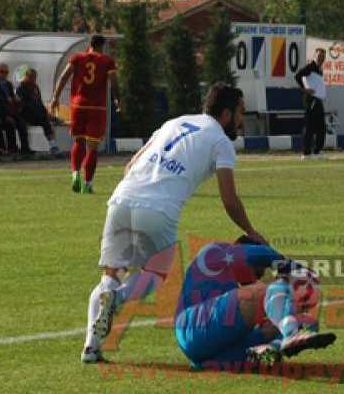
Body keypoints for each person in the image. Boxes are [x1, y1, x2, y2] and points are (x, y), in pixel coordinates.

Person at [81, 83, 267, 364]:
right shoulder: (221, 142)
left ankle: (91, 348)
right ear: (226, 114)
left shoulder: (175, 122)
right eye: (240, 113)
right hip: (159, 209)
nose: (241, 120)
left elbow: (130, 165)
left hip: (121, 198)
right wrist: (251, 231)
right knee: (156, 273)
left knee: (110, 275)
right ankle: (117, 301)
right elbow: (229, 200)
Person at [175, 238, 335, 369]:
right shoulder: (216, 251)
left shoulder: (226, 286)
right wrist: (298, 270)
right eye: (258, 271)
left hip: (209, 352)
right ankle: (289, 335)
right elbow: (265, 254)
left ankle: (271, 348)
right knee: (267, 290)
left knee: (307, 322)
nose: (257, 277)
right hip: (191, 326)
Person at [51, 34, 120, 194]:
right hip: (97, 108)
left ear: (89, 44)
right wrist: (118, 99)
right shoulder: (107, 61)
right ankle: (88, 184)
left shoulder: (77, 58)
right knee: (93, 147)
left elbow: (63, 77)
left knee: (79, 142)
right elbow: (114, 82)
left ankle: (75, 173)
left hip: (78, 105)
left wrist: (55, 97)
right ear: (101, 46)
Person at [16, 68, 60, 154]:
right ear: (26, 76)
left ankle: (53, 146)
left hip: (37, 115)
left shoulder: (35, 87)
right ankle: (25, 149)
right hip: (25, 115)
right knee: (27, 122)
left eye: (34, 77)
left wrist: (46, 113)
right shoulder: (20, 88)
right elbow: (23, 104)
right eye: (31, 77)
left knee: (46, 121)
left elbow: (40, 102)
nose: (33, 79)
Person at [295, 48, 328, 159]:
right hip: (311, 101)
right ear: (315, 56)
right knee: (310, 126)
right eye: (319, 56)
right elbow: (298, 76)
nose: (321, 58)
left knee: (321, 127)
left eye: (323, 57)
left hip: (317, 99)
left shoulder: (319, 69)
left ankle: (317, 151)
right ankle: (306, 152)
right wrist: (305, 89)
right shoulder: (311, 66)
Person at [0, 63, 26, 153]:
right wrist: (5, 115)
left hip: (10, 111)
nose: (4, 74)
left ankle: (25, 148)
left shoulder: (8, 84)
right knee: (9, 123)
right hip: (0, 113)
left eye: (6, 72)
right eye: (1, 72)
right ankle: (9, 149)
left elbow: (12, 97)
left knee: (21, 122)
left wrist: (17, 100)